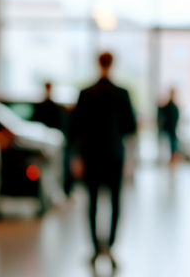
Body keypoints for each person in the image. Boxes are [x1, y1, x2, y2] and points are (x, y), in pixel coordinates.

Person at [69, 52, 137, 268]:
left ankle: (95, 247)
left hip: (92, 155)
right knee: (115, 202)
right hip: (115, 155)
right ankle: (110, 246)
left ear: (98, 63)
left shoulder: (86, 93)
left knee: (93, 203)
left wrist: (77, 157)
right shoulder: (122, 93)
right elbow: (131, 127)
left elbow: (76, 128)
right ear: (112, 64)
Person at [32, 82, 73, 194]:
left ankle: (56, 194)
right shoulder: (47, 106)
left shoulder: (51, 107)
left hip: (53, 145)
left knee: (55, 172)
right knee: (49, 172)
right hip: (46, 145)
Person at [157, 88, 181, 172]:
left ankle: (173, 159)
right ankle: (170, 159)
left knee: (173, 144)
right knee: (171, 144)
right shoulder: (169, 106)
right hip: (169, 128)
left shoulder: (173, 106)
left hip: (172, 128)